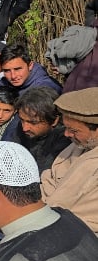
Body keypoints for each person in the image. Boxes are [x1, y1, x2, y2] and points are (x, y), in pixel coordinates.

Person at [40, 87, 98, 233]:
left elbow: (63, 208)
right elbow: (49, 178)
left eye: (74, 130)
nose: (66, 134)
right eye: (66, 128)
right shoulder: (79, 145)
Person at [0, 43, 62, 108]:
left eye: (18, 69)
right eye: (7, 70)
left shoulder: (46, 87)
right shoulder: (4, 83)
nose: (13, 76)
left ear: (30, 65)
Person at [9, 86, 70, 172]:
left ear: (54, 121)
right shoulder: (22, 127)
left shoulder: (64, 140)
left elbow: (43, 174)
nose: (25, 128)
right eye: (22, 120)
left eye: (33, 123)